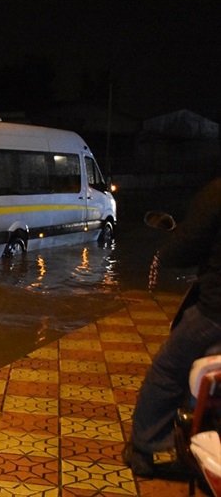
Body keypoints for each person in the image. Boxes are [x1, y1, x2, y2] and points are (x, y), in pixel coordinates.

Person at [124, 177, 221, 477]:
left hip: (215, 310)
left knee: (168, 368)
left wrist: (166, 253)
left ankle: (143, 445)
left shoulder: (216, 193)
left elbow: (187, 244)